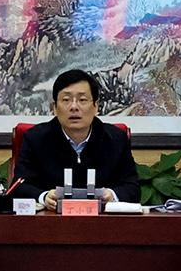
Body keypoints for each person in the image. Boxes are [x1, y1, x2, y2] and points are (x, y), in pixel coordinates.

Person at [8, 69, 139, 208]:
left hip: (101, 219)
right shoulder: (35, 139)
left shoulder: (116, 139)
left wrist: (112, 195)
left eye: (82, 100)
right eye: (66, 100)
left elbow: (133, 188)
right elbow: (19, 187)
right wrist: (44, 197)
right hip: (51, 219)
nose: (74, 107)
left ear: (96, 107)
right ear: (54, 108)